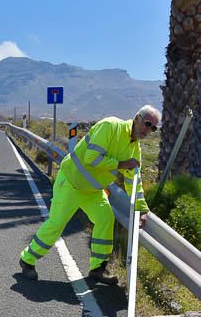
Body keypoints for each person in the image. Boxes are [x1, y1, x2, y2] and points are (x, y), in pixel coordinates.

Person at [19, 105, 162, 284]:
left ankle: (98, 269)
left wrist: (142, 208)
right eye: (148, 124)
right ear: (136, 118)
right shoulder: (110, 126)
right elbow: (91, 157)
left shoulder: (135, 150)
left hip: (93, 191)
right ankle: (27, 259)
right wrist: (122, 164)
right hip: (71, 183)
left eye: (154, 128)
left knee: (105, 219)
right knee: (56, 224)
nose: (148, 130)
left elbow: (133, 181)